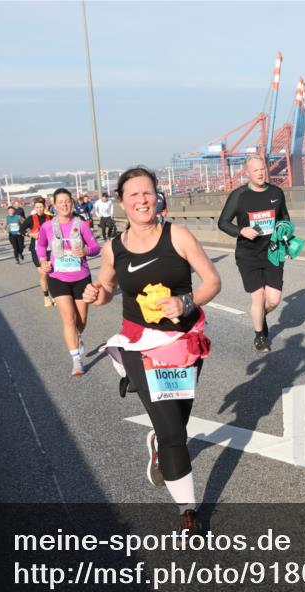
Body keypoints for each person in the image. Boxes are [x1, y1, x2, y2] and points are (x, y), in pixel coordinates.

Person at [83, 166, 220, 534]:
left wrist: (186, 301)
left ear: (157, 196)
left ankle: (159, 445)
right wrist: (97, 295)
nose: (142, 200)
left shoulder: (178, 236)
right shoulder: (114, 248)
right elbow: (107, 290)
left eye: (148, 193)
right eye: (134, 195)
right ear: (121, 202)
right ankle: (188, 512)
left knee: (179, 421)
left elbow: (213, 281)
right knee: (174, 431)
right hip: (141, 346)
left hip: (184, 343)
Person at [217, 155, 289, 352]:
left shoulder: (276, 192)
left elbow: (285, 219)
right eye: (255, 170)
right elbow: (222, 223)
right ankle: (260, 336)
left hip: (273, 252)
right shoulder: (239, 195)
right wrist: (241, 231)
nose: (260, 173)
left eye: (262, 169)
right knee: (258, 298)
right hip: (248, 255)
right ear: (248, 173)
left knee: (273, 299)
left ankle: (259, 317)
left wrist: (287, 240)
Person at [36, 188, 101, 376]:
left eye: (68, 201)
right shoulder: (47, 227)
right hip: (58, 277)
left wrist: (86, 252)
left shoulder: (81, 224)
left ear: (72, 203)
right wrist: (43, 262)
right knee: (69, 319)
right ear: (54, 205)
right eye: (61, 202)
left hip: (81, 277)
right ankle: (76, 361)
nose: (65, 205)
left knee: (81, 320)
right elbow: (40, 246)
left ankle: (77, 337)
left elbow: (95, 247)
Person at [26, 197, 55, 307]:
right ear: (34, 207)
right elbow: (21, 230)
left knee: (52, 274)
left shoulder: (51, 218)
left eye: (41, 207)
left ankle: (55, 296)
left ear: (45, 207)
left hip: (50, 249)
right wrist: (30, 234)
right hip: (36, 250)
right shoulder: (30, 219)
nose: (39, 209)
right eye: (37, 207)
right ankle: (46, 297)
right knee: (43, 274)